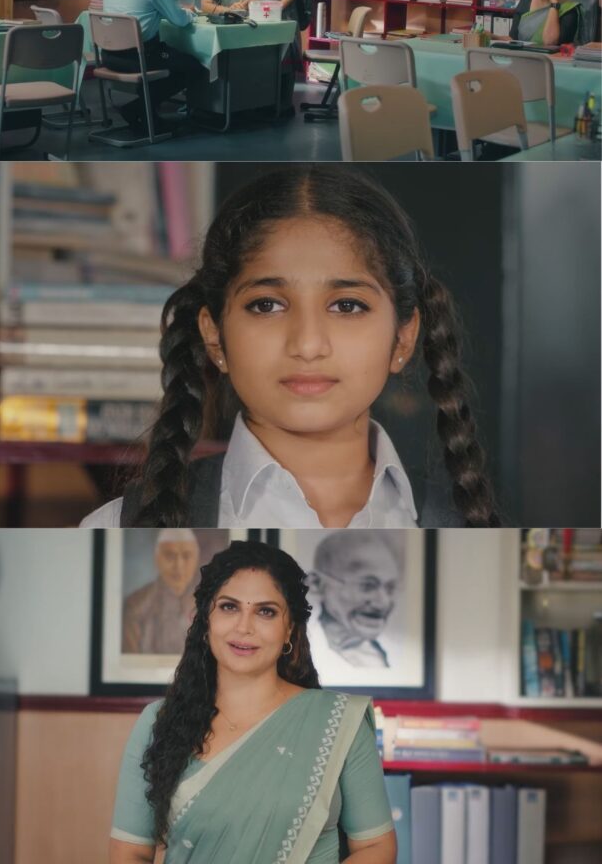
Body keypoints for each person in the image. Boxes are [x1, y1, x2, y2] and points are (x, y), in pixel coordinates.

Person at [80, 165, 501, 531]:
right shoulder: (112, 528)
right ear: (215, 336)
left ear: (403, 338)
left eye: (347, 305)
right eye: (267, 305)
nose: (307, 344)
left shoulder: (470, 530)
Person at [110, 541, 397, 864]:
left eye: (265, 611)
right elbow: (130, 853)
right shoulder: (158, 722)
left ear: (289, 630)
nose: (244, 627)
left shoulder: (339, 721)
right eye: (229, 607)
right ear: (206, 620)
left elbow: (376, 848)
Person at [101, 0, 204, 127]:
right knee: (194, 67)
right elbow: (180, 20)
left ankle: (146, 113)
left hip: (109, 55)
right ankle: (138, 109)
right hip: (138, 57)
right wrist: (191, 12)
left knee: (168, 57)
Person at [307, 533, 401, 683]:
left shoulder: (390, 658)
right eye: (367, 585)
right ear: (316, 584)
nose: (382, 602)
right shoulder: (294, 651)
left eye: (390, 588)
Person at [122, 530, 200, 655]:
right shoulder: (135, 607)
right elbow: (130, 663)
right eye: (170, 556)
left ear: (196, 560)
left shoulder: (208, 606)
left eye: (186, 556)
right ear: (157, 559)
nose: (178, 566)